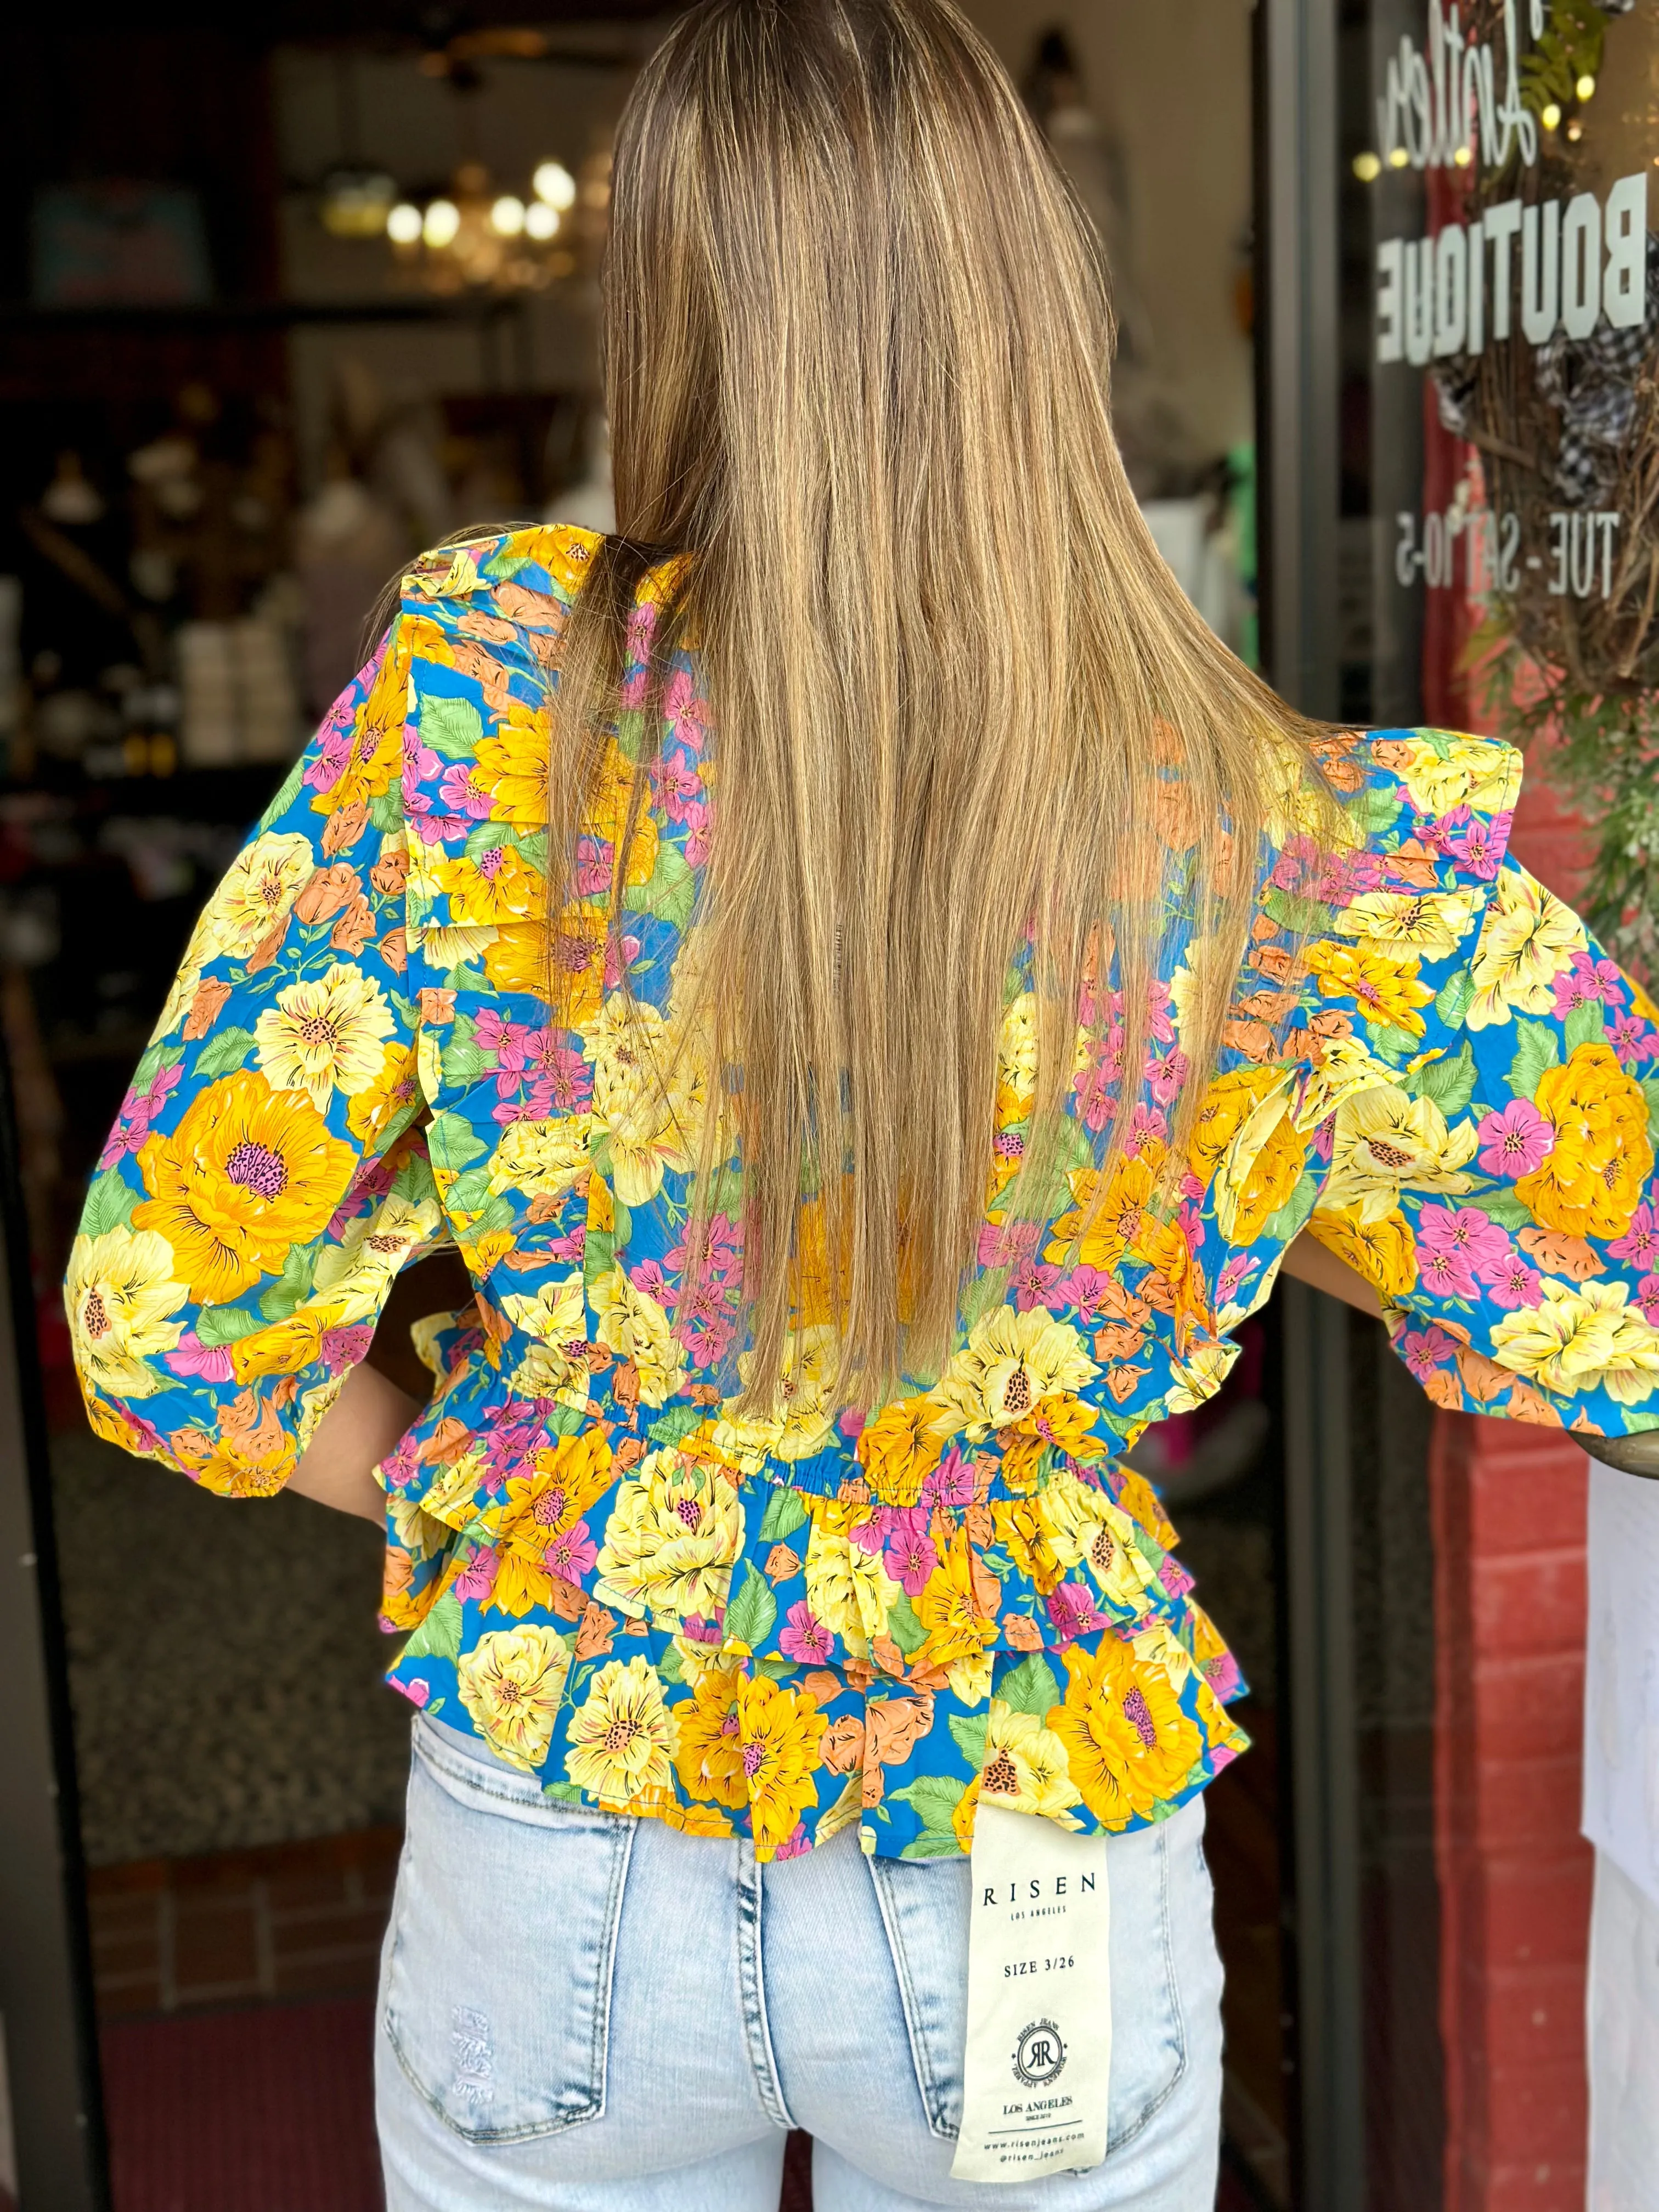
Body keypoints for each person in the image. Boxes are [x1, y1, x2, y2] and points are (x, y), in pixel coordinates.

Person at [66, 2, 1659, 2206]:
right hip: (1029, 1833)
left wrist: (503, 1494)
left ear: (671, 304)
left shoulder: (478, 715)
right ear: (1036, 306)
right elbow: (1635, 1307)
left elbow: (169, 1317)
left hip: (569, 1826)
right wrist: (1234, 1151)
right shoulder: (1275, 840)